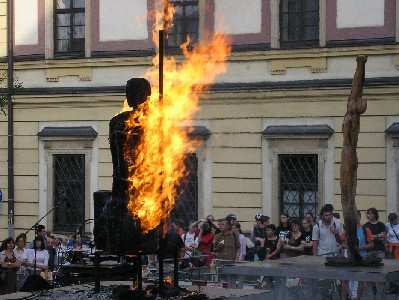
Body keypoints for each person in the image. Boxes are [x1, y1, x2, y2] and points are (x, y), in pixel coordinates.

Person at [340, 210, 374, 300]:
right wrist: (350, 248)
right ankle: (344, 298)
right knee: (345, 278)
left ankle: (357, 298)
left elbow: (371, 245)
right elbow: (342, 243)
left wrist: (359, 248)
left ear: (359, 217)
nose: (355, 219)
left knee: (361, 279)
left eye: (356, 217)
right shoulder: (348, 230)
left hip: (362, 257)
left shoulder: (365, 230)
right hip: (350, 257)